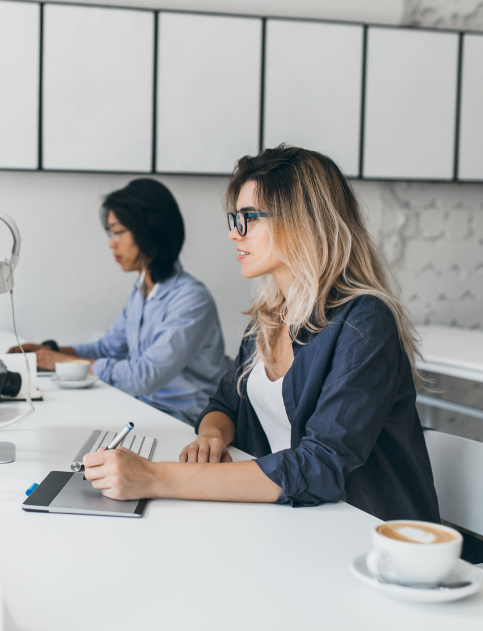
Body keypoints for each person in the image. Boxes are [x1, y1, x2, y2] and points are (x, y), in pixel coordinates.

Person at [82, 146, 439, 523]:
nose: (234, 233)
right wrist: (212, 437)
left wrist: (155, 477)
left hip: (369, 533)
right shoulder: (270, 316)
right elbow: (225, 403)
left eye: (248, 217)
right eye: (235, 218)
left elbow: (320, 466)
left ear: (306, 220)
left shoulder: (364, 321)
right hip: (298, 520)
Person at [10, 178, 226, 425]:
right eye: (110, 232)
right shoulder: (141, 291)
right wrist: (50, 351)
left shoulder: (191, 300)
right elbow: (108, 348)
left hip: (181, 423)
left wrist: (59, 362)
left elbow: (144, 376)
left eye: (118, 231)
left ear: (150, 229)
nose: (111, 242)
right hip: (142, 409)